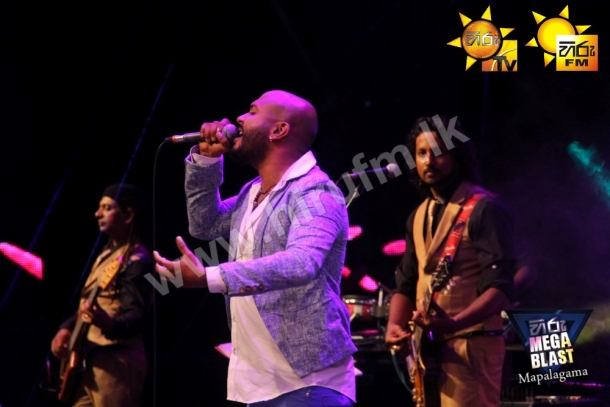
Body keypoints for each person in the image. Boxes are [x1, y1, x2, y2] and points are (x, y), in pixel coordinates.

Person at [153, 89, 357, 406]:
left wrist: (209, 277)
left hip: (309, 383)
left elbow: (301, 262)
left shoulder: (317, 192)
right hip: (256, 383)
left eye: (252, 111)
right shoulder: (253, 192)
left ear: (279, 130)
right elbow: (205, 224)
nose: (239, 118)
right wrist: (207, 160)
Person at [385, 116, 516, 407]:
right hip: (427, 352)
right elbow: (406, 282)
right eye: (421, 153)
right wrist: (394, 324)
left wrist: (454, 323)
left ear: (457, 156)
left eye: (438, 152)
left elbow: (501, 288)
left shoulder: (484, 208)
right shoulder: (418, 215)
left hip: (472, 348)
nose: (429, 161)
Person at [50, 183, 154, 407]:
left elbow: (137, 316)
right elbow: (90, 303)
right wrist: (66, 328)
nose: (97, 214)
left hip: (116, 362)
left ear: (128, 215)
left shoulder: (137, 261)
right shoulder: (106, 254)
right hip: (89, 362)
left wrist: (109, 324)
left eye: (107, 208)